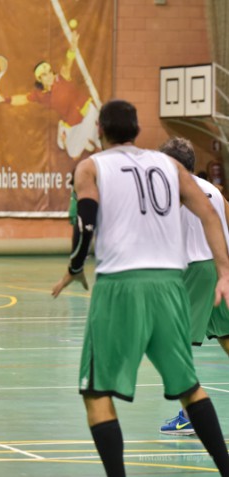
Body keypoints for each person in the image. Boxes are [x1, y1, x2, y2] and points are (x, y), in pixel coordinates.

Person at [51, 100, 229, 477]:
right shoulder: (169, 165)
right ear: (137, 129)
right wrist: (225, 272)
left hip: (121, 284)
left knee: (96, 393)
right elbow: (210, 214)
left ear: (99, 129)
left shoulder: (91, 166)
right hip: (169, 285)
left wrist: (74, 267)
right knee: (189, 387)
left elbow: (86, 222)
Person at [158, 137, 229, 435]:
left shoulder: (171, 190)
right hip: (220, 266)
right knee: (226, 335)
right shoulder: (213, 190)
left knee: (176, 343)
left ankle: (189, 414)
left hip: (194, 269)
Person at [0, 30, 101, 161]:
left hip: (89, 111)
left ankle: (86, 137)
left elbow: (67, 63)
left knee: (100, 144)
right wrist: (4, 99)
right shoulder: (39, 95)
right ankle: (65, 131)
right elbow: (23, 98)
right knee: (74, 155)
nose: (50, 75)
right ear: (39, 79)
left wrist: (72, 48)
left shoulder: (62, 78)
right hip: (72, 122)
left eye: (50, 71)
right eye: (45, 74)